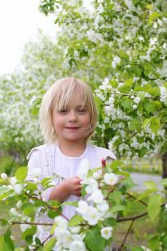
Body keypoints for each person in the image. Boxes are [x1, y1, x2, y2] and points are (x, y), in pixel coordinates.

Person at [26, 77, 116, 240]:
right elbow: (33, 202)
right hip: (51, 243)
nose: (73, 117)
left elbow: (114, 209)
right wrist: (63, 189)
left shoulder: (104, 157)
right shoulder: (40, 157)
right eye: (63, 111)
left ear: (91, 116)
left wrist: (109, 190)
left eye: (81, 110)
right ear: (50, 117)